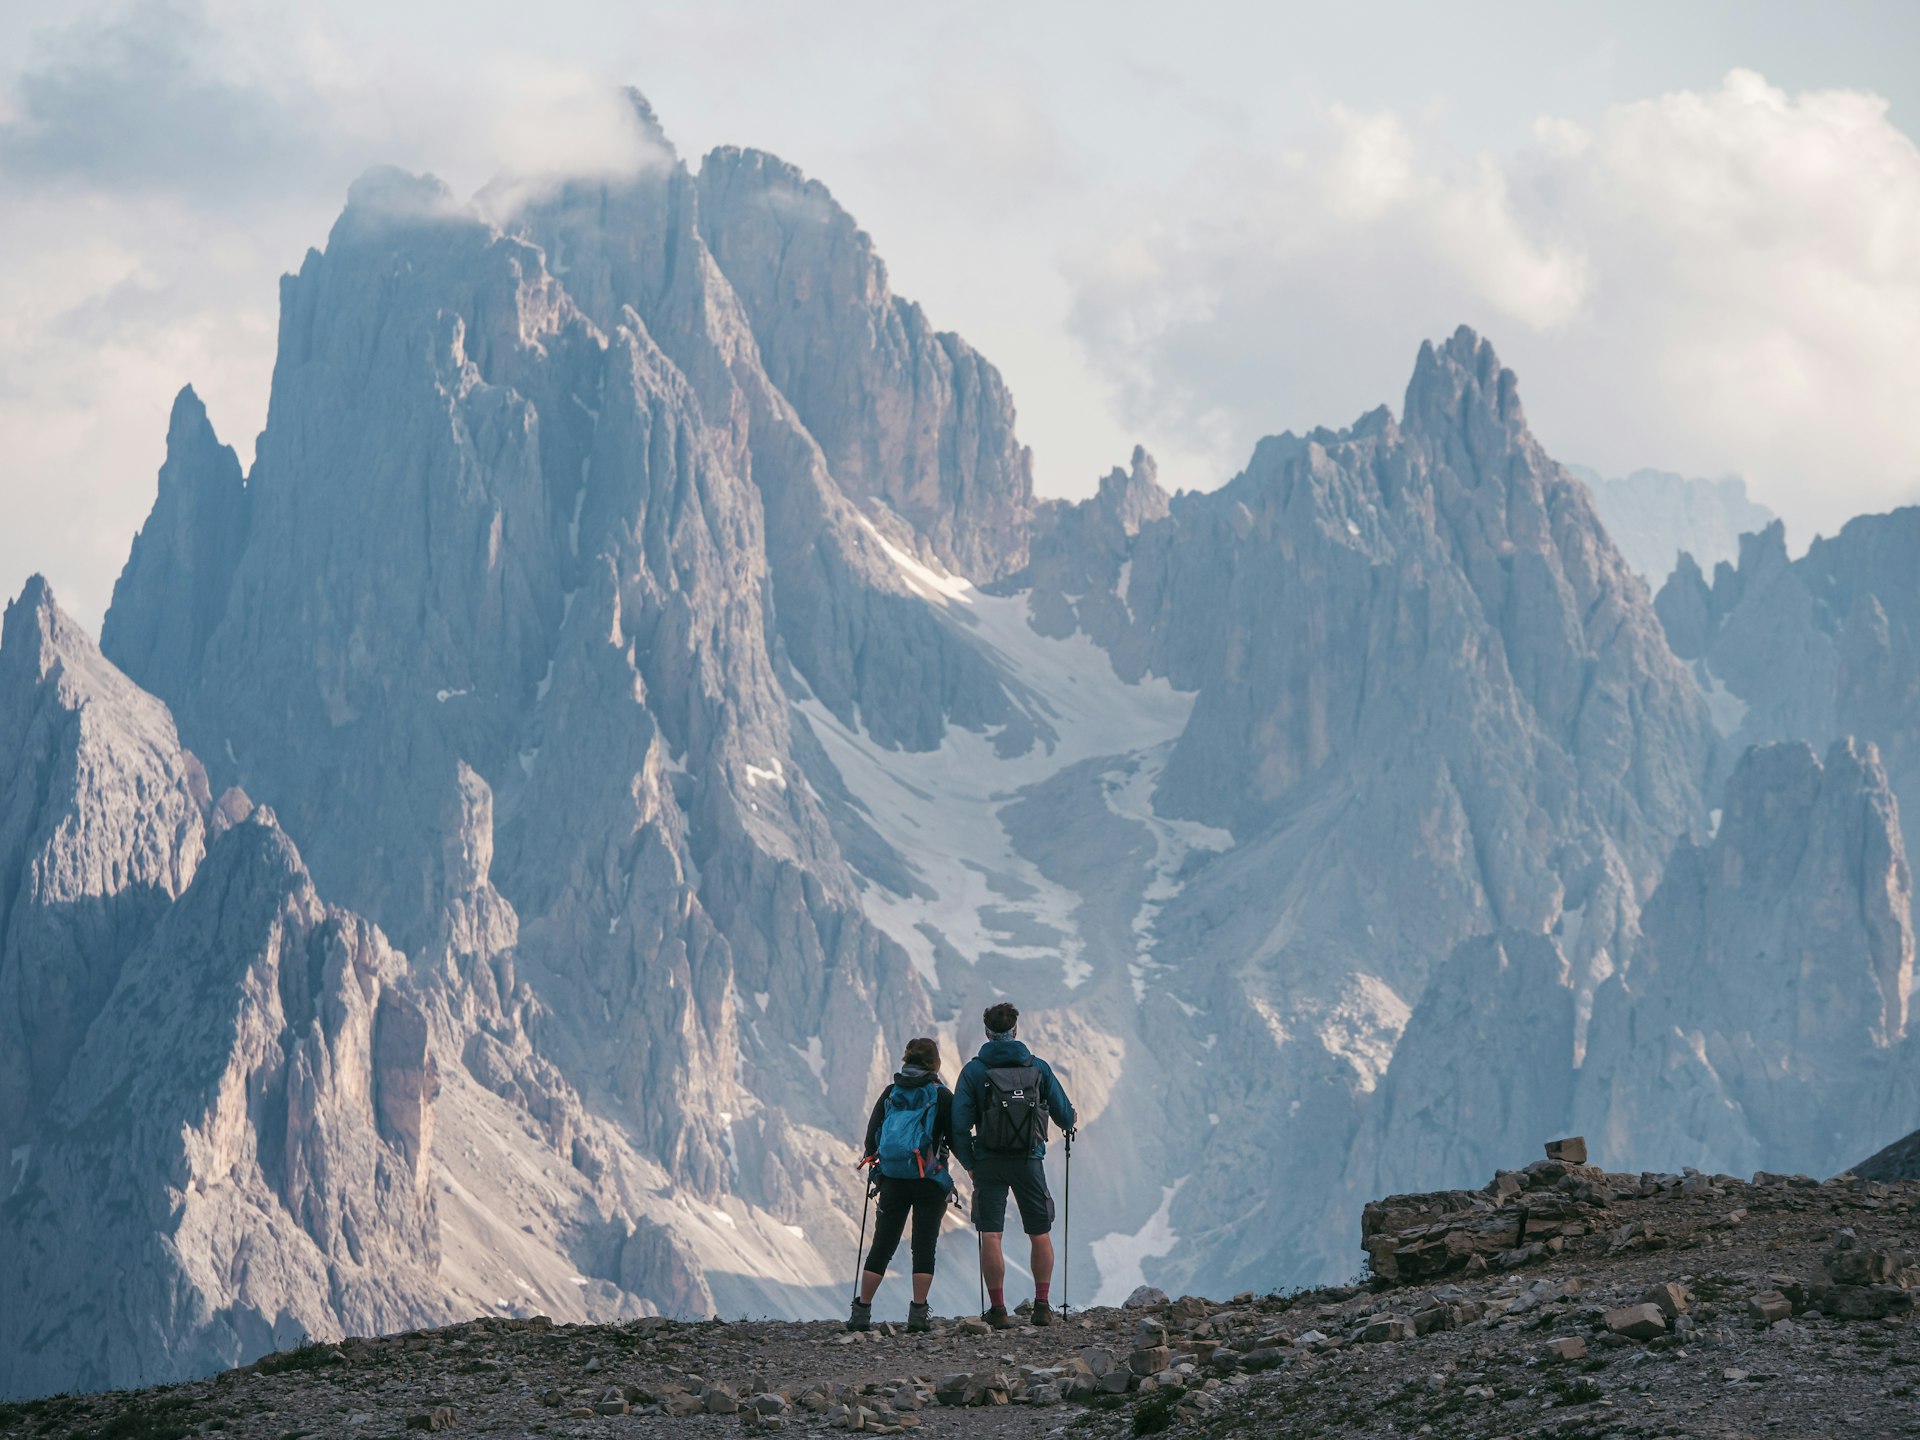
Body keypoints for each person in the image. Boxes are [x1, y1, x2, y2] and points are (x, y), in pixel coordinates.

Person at [951, 1001, 1076, 1328]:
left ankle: (998, 1310)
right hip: (1029, 1161)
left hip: (989, 1161)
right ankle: (1043, 1305)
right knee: (1040, 1233)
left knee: (991, 1235)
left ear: (988, 1033)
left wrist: (969, 1162)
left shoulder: (974, 1072)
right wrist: (1069, 1118)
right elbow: (1065, 1116)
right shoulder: (1038, 1068)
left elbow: (959, 1125)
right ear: (1015, 1030)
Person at [850, 1036, 955, 1333]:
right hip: (930, 1181)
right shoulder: (942, 1096)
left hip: (893, 1180)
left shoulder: (890, 1092)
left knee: (882, 1245)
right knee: (923, 1246)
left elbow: (872, 1140)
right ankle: (918, 1315)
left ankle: (861, 1313)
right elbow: (956, 1139)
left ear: (905, 1061)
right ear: (935, 1064)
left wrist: (879, 1166)